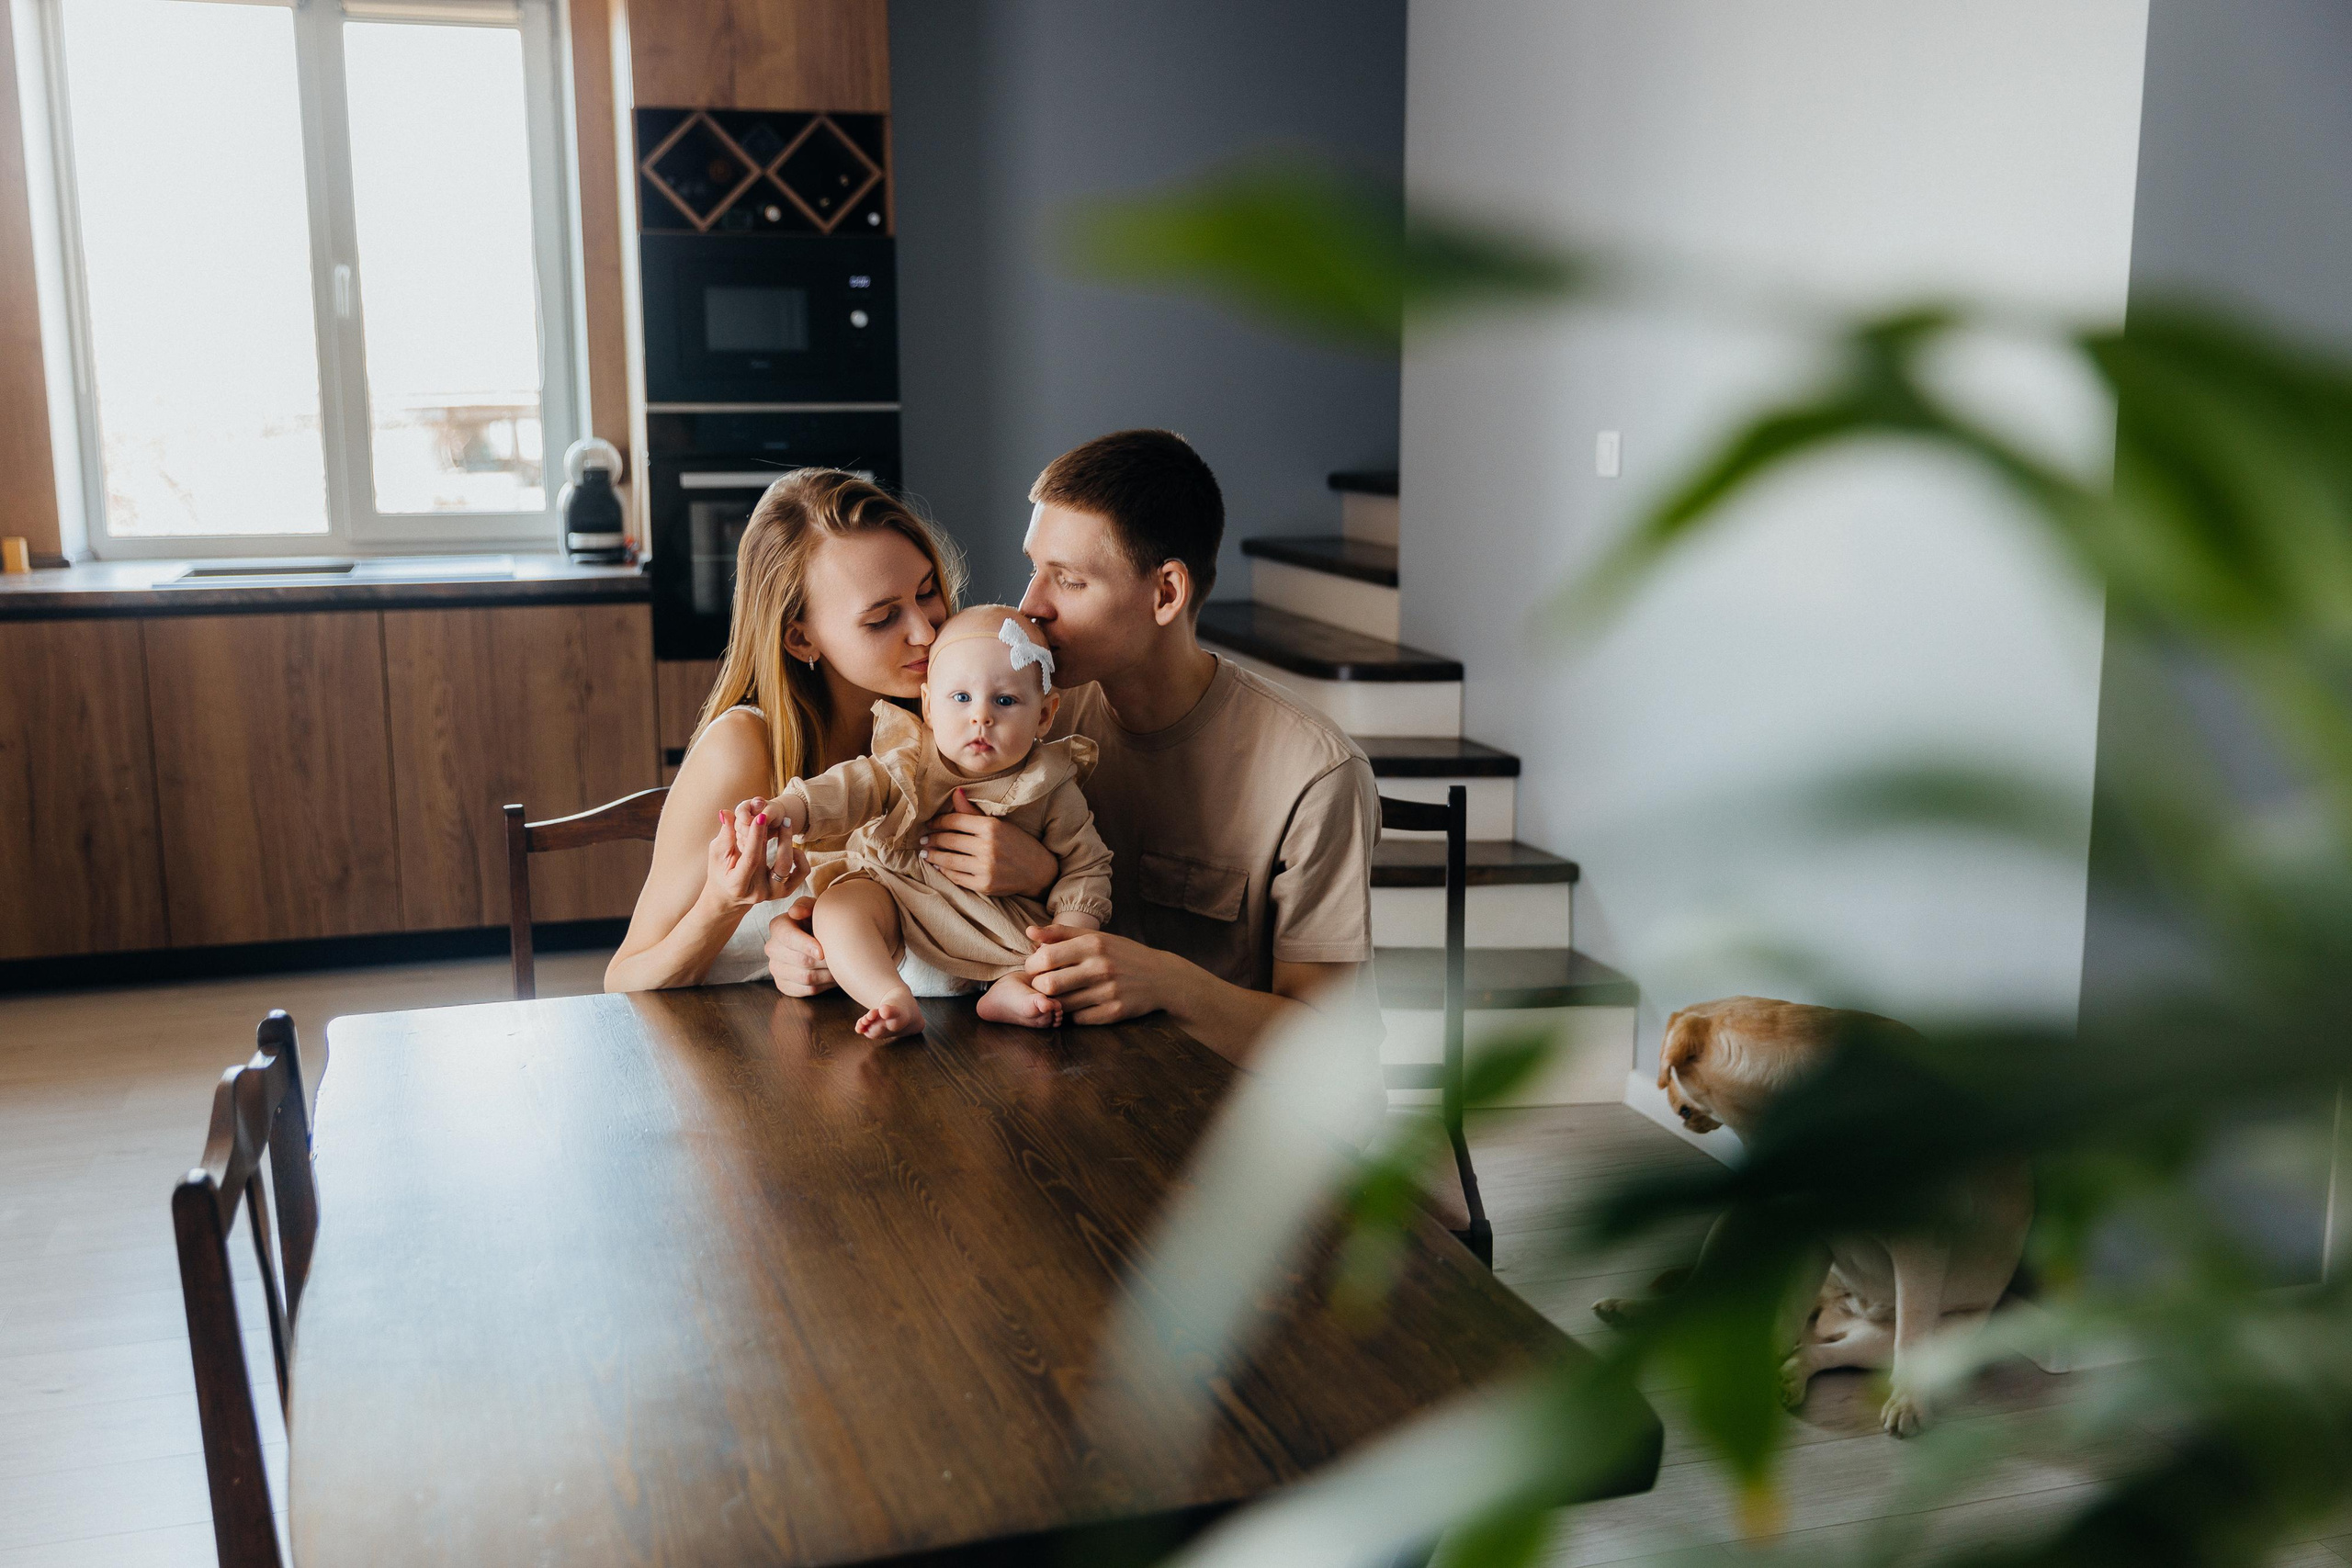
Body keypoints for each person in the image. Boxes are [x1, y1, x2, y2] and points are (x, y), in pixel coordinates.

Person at [765, 429, 1382, 1067]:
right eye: (1035, 569)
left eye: (1068, 580)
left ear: (1166, 593)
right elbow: (902, 859)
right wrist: (812, 936)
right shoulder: (1017, 715)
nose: (1031, 605)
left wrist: (1168, 983)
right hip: (1065, 1085)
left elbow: (1332, 1046)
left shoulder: (1315, 773)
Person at [604, 468, 966, 993]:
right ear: (800, 640)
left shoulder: (957, 717)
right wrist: (722, 904)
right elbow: (624, 981)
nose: (926, 630)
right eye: (882, 618)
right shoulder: (743, 750)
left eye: (928, 591)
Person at [759, 605, 1114, 1039]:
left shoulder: (1050, 784)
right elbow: (847, 788)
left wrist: (1069, 937)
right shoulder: (908, 761)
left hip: (999, 938)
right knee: (839, 908)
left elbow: (1086, 865)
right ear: (928, 705)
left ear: (1044, 714)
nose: (980, 717)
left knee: (1055, 968)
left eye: (1005, 701)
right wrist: (788, 809)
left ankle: (1009, 991)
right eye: (961, 698)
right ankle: (888, 995)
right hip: (898, 918)